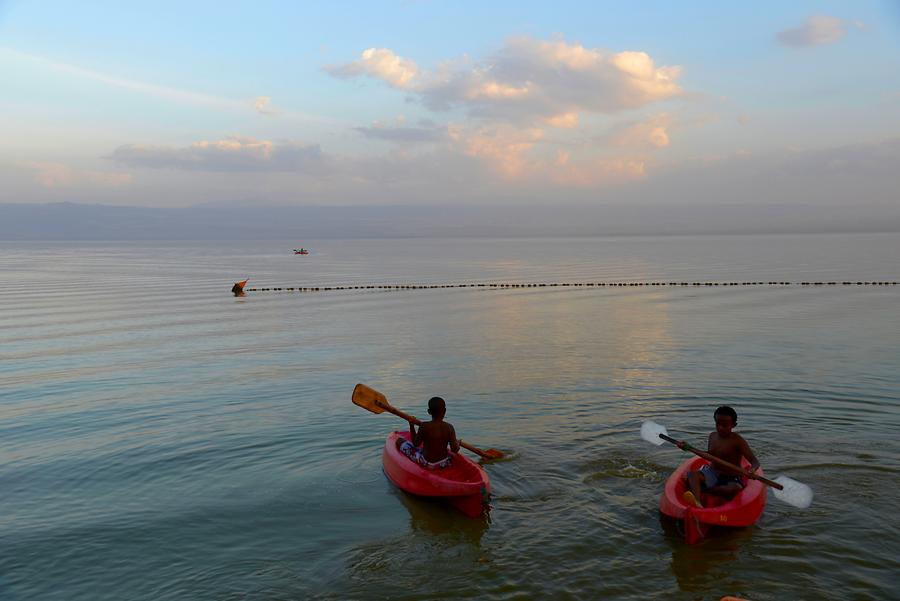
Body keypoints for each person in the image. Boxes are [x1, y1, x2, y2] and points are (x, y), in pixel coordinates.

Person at [680, 406, 760, 508]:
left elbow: (754, 461)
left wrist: (752, 470)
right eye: (718, 424)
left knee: (735, 489)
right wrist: (688, 447)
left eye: (725, 425)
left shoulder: (738, 441)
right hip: (712, 472)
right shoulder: (712, 436)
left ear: (733, 425)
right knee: (692, 475)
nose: (720, 428)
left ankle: (703, 489)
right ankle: (697, 501)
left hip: (731, 477)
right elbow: (709, 455)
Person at [397, 396, 460, 469]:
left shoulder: (424, 426)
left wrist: (411, 425)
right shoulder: (450, 427)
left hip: (427, 463)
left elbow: (416, 443)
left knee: (399, 441)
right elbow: (454, 450)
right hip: (443, 463)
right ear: (445, 411)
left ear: (429, 411)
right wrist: (457, 444)